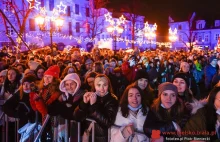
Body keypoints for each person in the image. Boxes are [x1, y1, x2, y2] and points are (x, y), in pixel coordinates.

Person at [74, 74, 118, 142]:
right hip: (89, 136)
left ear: (108, 85)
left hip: (103, 138)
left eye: (104, 85)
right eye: (98, 85)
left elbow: (107, 122)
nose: (102, 88)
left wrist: (93, 106)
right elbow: (77, 117)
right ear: (94, 86)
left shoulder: (112, 99)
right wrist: (84, 103)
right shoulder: (91, 96)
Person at [47, 73, 85, 141]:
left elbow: (71, 115)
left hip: (78, 132)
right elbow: (51, 110)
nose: (69, 87)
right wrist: (64, 105)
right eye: (67, 84)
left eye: (72, 84)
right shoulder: (63, 96)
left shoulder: (82, 96)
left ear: (77, 84)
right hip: (64, 132)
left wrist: (61, 106)